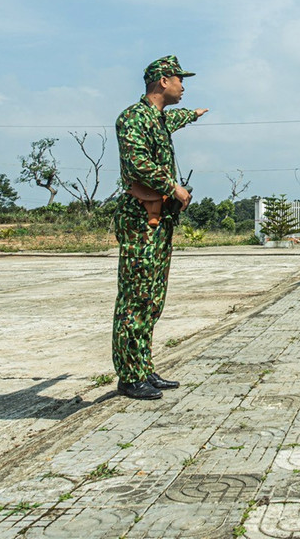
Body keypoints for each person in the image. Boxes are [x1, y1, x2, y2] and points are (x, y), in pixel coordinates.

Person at [113, 55, 208, 400]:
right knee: (135, 298)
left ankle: (143, 367)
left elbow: (174, 119)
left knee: (152, 298)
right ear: (163, 81)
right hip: (141, 218)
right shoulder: (132, 118)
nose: (183, 86)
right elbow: (137, 162)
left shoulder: (159, 118)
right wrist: (173, 188)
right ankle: (129, 376)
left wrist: (193, 114)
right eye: (180, 80)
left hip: (159, 219)